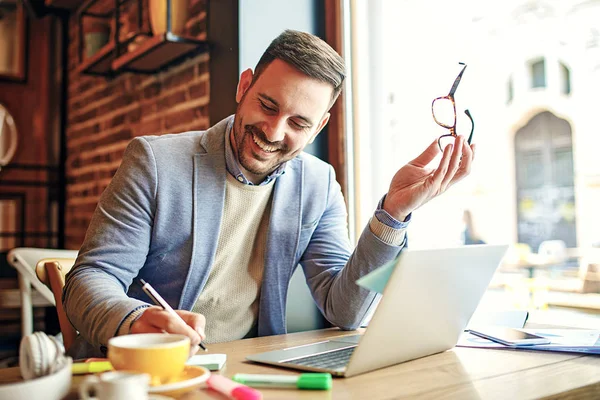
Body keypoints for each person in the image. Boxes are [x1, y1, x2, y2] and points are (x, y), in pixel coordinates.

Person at [63, 30, 475, 357]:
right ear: (244, 86)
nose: (274, 132)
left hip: (247, 370)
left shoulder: (318, 185)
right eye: (267, 105)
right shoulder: (154, 162)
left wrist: (393, 215)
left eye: (299, 122)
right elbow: (88, 280)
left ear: (319, 127)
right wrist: (137, 320)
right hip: (147, 370)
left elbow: (346, 310)